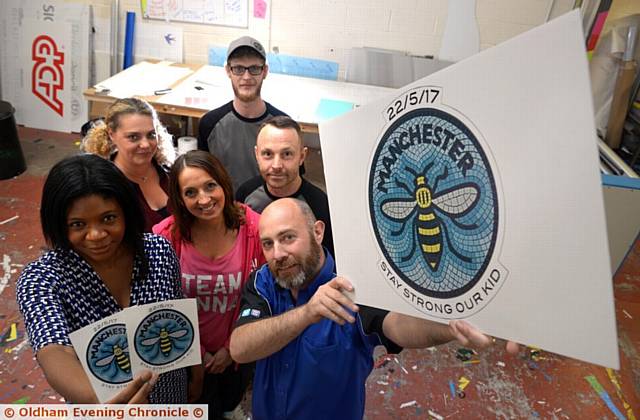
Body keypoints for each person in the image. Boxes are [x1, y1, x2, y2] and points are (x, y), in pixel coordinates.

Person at [229, 198, 519, 420]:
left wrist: (449, 326)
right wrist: (307, 314)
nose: (277, 253)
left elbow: (397, 326)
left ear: (317, 232)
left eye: (288, 237)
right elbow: (241, 348)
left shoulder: (355, 286)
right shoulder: (263, 281)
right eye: (268, 244)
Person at [16, 154, 196, 403]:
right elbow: (53, 350)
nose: (96, 235)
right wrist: (109, 402)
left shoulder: (159, 252)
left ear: (127, 212)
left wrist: (194, 376)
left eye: (108, 218)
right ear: (58, 224)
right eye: (78, 224)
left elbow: (178, 318)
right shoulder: (42, 279)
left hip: (171, 394)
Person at [153, 150, 265, 419]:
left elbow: (262, 295)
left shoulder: (255, 228)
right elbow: (159, 305)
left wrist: (230, 348)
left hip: (237, 354)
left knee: (228, 402)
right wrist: (198, 354)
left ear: (223, 183)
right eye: (190, 193)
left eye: (210, 186)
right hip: (185, 357)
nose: (204, 199)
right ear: (179, 198)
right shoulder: (164, 237)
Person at [198, 36, 287, 190]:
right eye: (238, 69)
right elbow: (201, 177)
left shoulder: (283, 127)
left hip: (268, 210)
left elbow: (294, 180)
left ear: (265, 71)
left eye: (254, 68)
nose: (246, 77)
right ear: (228, 71)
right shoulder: (209, 124)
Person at [236, 116, 334, 256]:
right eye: (267, 154)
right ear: (257, 154)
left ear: (301, 156)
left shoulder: (319, 204)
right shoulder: (245, 195)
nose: (276, 166)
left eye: (287, 154)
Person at [82, 97, 175, 232]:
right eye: (133, 137)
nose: (145, 144)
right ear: (112, 134)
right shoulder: (102, 187)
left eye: (151, 135)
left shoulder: (169, 172)